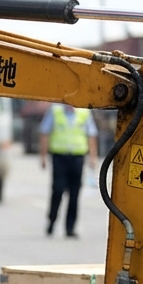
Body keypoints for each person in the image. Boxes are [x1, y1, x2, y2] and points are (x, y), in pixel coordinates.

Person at [39, 102, 99, 238]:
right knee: (58, 191)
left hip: (77, 158)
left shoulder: (84, 112)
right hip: (59, 157)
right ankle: (52, 221)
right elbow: (44, 132)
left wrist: (93, 157)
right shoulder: (55, 111)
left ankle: (70, 228)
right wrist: (43, 156)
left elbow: (91, 135)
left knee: (74, 194)